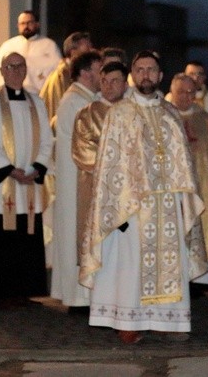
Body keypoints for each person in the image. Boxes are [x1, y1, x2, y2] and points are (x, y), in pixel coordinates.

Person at [79, 50, 207, 344]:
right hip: (132, 205)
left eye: (151, 70)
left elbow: (184, 164)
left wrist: (183, 200)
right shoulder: (119, 113)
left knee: (168, 262)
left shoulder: (171, 113)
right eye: (140, 70)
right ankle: (128, 321)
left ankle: (166, 321)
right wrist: (116, 208)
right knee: (130, 265)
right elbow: (108, 167)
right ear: (131, 76)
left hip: (168, 204)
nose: (146, 75)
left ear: (160, 76)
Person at [0, 52, 54, 309]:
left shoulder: (36, 103)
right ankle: (0, 294)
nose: (16, 71)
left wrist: (37, 168)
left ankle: (23, 292)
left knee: (24, 240)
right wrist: (10, 171)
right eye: (11, 66)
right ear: (3, 71)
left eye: (21, 66)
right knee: (0, 240)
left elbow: (47, 140)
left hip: (27, 184)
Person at [50, 50, 103, 314]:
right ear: (85, 72)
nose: (102, 74)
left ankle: (84, 296)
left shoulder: (87, 99)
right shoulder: (74, 102)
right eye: (98, 68)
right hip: (77, 181)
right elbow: (86, 142)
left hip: (82, 179)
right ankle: (78, 297)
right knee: (76, 236)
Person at [170, 74, 208, 297]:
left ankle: (199, 280)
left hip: (201, 191)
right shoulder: (162, 117)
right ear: (172, 92)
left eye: (191, 92)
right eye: (181, 92)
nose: (186, 96)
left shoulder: (206, 122)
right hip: (173, 192)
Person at [72, 61, 130, 271]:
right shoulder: (86, 114)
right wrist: (118, 170)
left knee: (127, 254)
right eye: (104, 81)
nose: (108, 86)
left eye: (115, 81)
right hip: (96, 191)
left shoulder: (135, 114)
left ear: (125, 84)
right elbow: (82, 152)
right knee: (101, 252)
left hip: (129, 195)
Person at [0, 10, 61, 94]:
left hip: (38, 94)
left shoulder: (48, 45)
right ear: (18, 25)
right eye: (22, 23)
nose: (26, 26)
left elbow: (58, 71)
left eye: (29, 23)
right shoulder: (9, 45)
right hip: (11, 94)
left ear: (37, 24)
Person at [40, 31, 94, 124]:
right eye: (87, 49)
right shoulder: (61, 76)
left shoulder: (78, 73)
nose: (91, 51)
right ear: (73, 52)